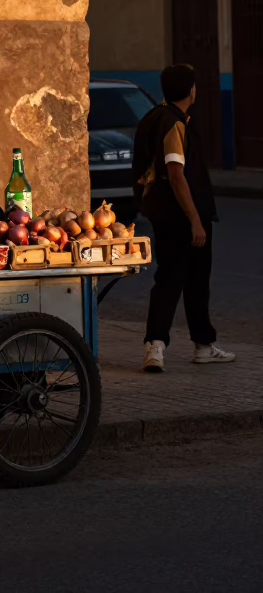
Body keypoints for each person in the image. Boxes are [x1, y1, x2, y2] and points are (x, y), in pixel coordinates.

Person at [132, 63, 235, 373]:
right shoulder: (174, 124)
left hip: (162, 214)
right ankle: (175, 346)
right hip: (183, 216)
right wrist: (195, 219)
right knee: (187, 280)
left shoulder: (152, 118)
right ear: (191, 90)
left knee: (176, 279)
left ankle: (172, 346)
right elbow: (176, 175)